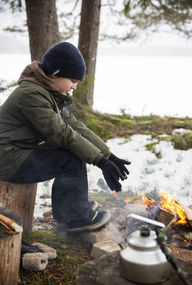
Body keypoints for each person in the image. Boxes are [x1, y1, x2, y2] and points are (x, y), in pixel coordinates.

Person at [0, 42, 131, 233]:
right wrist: (100, 162)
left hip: (16, 151)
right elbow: (63, 134)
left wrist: (109, 156)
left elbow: (77, 127)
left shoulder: (47, 93)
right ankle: (76, 218)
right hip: (6, 158)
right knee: (68, 158)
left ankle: (72, 210)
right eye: (73, 81)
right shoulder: (31, 95)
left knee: (69, 152)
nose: (74, 87)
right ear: (55, 73)